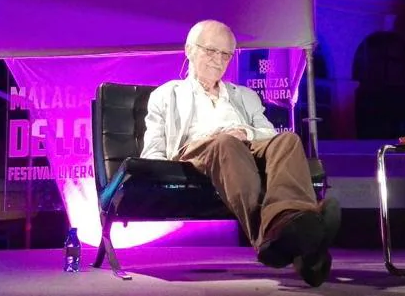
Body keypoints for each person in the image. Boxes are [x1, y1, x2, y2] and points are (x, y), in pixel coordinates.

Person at [140, 20, 341, 287]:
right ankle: (281, 236)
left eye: (225, 54)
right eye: (211, 51)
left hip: (243, 145)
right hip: (198, 152)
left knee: (287, 140)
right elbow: (152, 151)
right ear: (189, 49)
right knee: (225, 142)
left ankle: (297, 233)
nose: (218, 60)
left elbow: (268, 134)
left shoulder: (244, 96)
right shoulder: (166, 95)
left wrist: (245, 133)